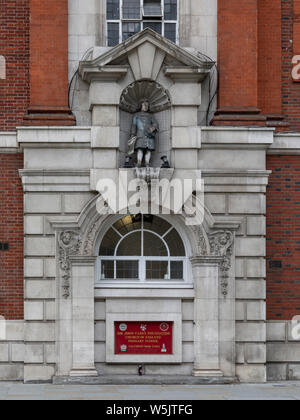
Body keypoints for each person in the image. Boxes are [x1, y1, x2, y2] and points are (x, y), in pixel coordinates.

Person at [128, 100, 159, 167]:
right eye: (144, 105)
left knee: (149, 150)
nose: (146, 107)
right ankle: (139, 162)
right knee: (140, 149)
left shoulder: (151, 116)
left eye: (147, 106)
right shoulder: (136, 115)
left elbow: (155, 124)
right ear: (141, 106)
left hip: (149, 135)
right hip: (140, 134)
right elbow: (134, 125)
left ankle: (147, 163)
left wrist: (152, 128)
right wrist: (132, 134)